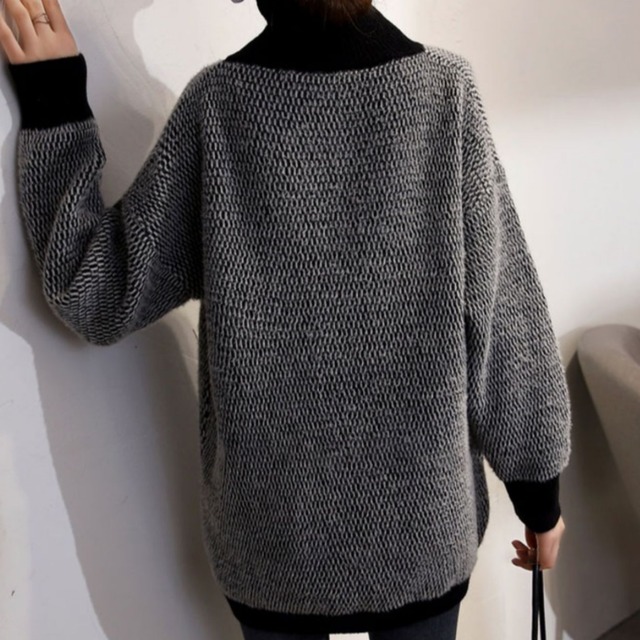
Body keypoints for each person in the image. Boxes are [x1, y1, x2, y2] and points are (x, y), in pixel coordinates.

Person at [0, 0, 570, 638]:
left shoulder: (219, 107)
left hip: (273, 543)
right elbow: (508, 321)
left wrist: (53, 100)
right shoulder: (443, 94)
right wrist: (539, 499)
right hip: (421, 534)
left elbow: (97, 292)